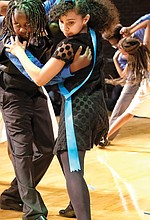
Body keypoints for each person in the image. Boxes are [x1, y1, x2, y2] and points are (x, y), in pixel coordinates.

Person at [6, 0, 120, 219]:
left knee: (72, 167)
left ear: (85, 19)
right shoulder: (95, 36)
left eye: (70, 22)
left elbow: (40, 78)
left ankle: (82, 215)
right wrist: (73, 68)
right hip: (97, 107)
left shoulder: (68, 46)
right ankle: (73, 206)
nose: (65, 28)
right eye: (61, 22)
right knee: (70, 157)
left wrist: (20, 52)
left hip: (78, 109)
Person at [104, 18, 150, 149]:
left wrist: (116, 59)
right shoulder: (147, 46)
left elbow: (122, 75)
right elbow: (148, 22)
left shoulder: (133, 61)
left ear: (128, 52)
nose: (120, 53)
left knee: (128, 113)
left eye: (122, 52)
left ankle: (105, 137)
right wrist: (131, 29)